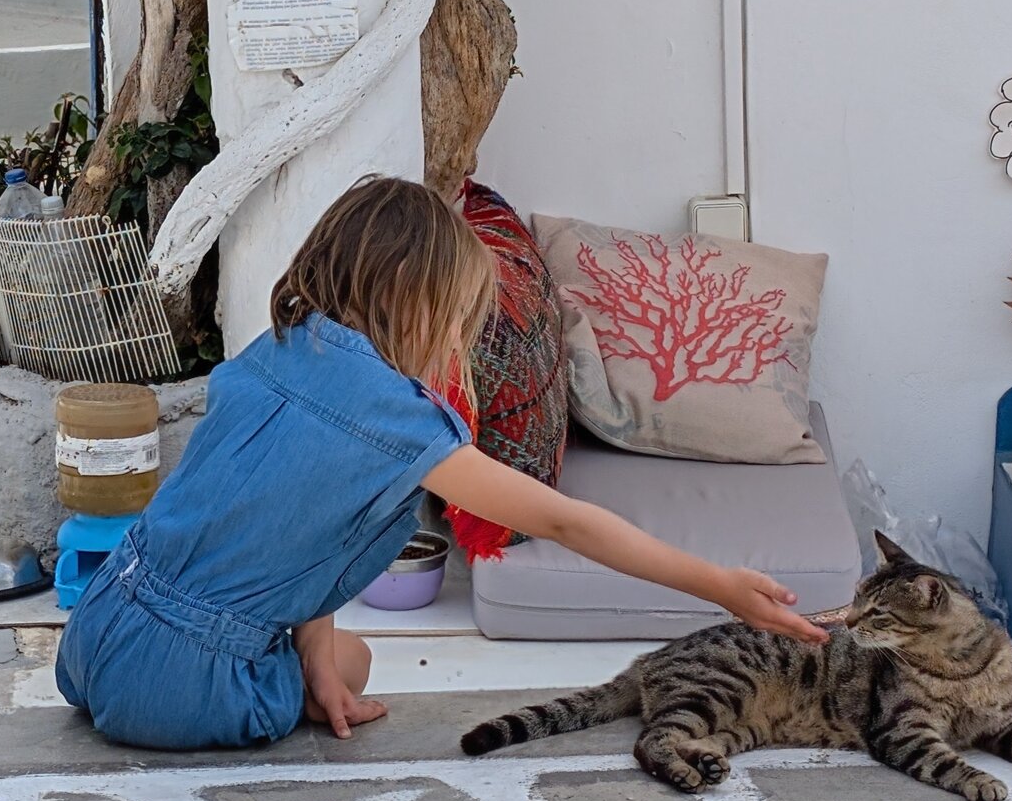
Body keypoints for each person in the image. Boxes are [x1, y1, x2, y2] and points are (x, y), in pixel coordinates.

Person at [55, 177, 829, 750]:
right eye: (459, 317)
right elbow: (562, 519)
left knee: (328, 657)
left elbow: (310, 520)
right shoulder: (396, 415)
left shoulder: (282, 346)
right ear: (419, 303)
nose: (458, 338)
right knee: (353, 662)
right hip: (179, 685)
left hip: (97, 626)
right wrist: (719, 585)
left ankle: (307, 670)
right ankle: (303, 677)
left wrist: (311, 658)